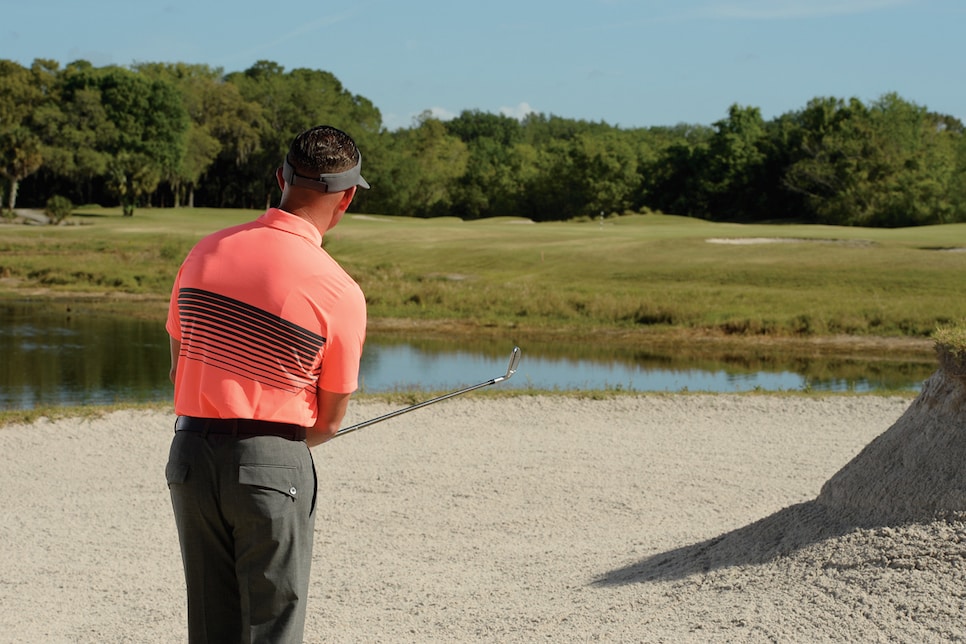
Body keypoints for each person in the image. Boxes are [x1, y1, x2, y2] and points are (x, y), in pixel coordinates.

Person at [164, 125, 369, 643]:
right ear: (345, 198)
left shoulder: (204, 253)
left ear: (280, 178)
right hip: (273, 464)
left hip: (190, 455)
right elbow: (330, 419)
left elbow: (177, 365)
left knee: (211, 628)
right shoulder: (338, 289)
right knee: (273, 627)